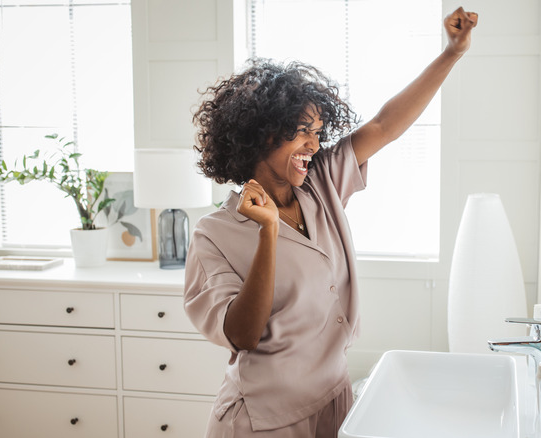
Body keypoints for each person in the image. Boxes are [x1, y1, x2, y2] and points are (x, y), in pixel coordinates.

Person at [184, 6, 477, 437]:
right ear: (263, 133)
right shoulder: (215, 235)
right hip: (263, 420)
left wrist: (451, 54)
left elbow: (384, 125)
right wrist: (268, 231)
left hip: (334, 400)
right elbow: (242, 334)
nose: (314, 144)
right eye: (302, 130)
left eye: (319, 131)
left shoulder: (319, 184)